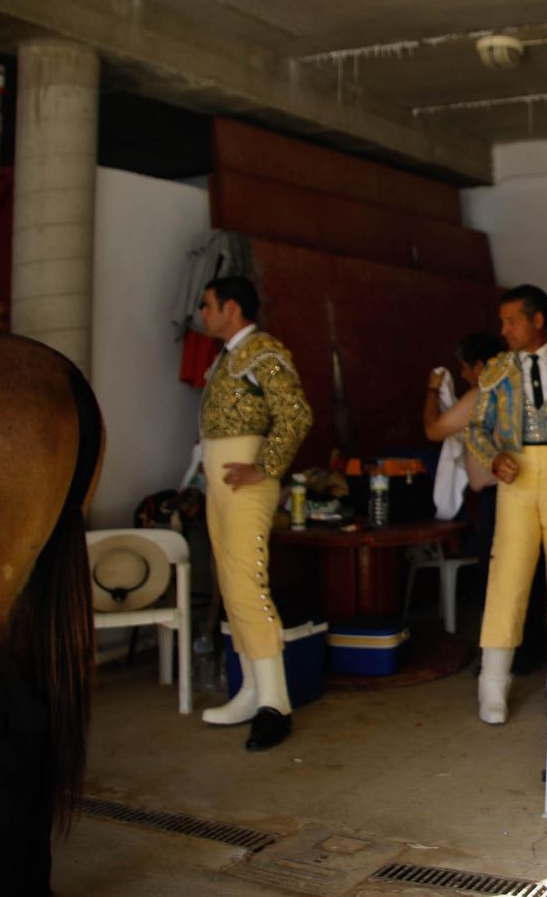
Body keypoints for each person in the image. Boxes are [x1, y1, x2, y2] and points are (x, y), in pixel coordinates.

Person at [464, 284, 547, 724]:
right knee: (508, 576)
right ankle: (493, 685)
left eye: (511, 321)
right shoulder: (498, 370)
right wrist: (494, 457)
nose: (504, 330)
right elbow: (477, 429)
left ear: (537, 320)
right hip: (516, 477)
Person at [196, 275, 313, 751]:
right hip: (221, 481)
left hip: (246, 482)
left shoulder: (262, 351)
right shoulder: (228, 358)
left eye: (207, 305)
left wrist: (264, 467)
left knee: (247, 583)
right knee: (232, 585)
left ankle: (275, 703)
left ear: (231, 308)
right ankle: (250, 691)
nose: (202, 314)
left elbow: (296, 414)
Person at [424, 330, 509, 558]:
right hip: (505, 495)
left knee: (496, 570)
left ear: (479, 367)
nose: (461, 375)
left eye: (464, 367)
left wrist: (433, 388)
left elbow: (434, 431)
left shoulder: (482, 393)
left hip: (498, 497)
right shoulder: (512, 389)